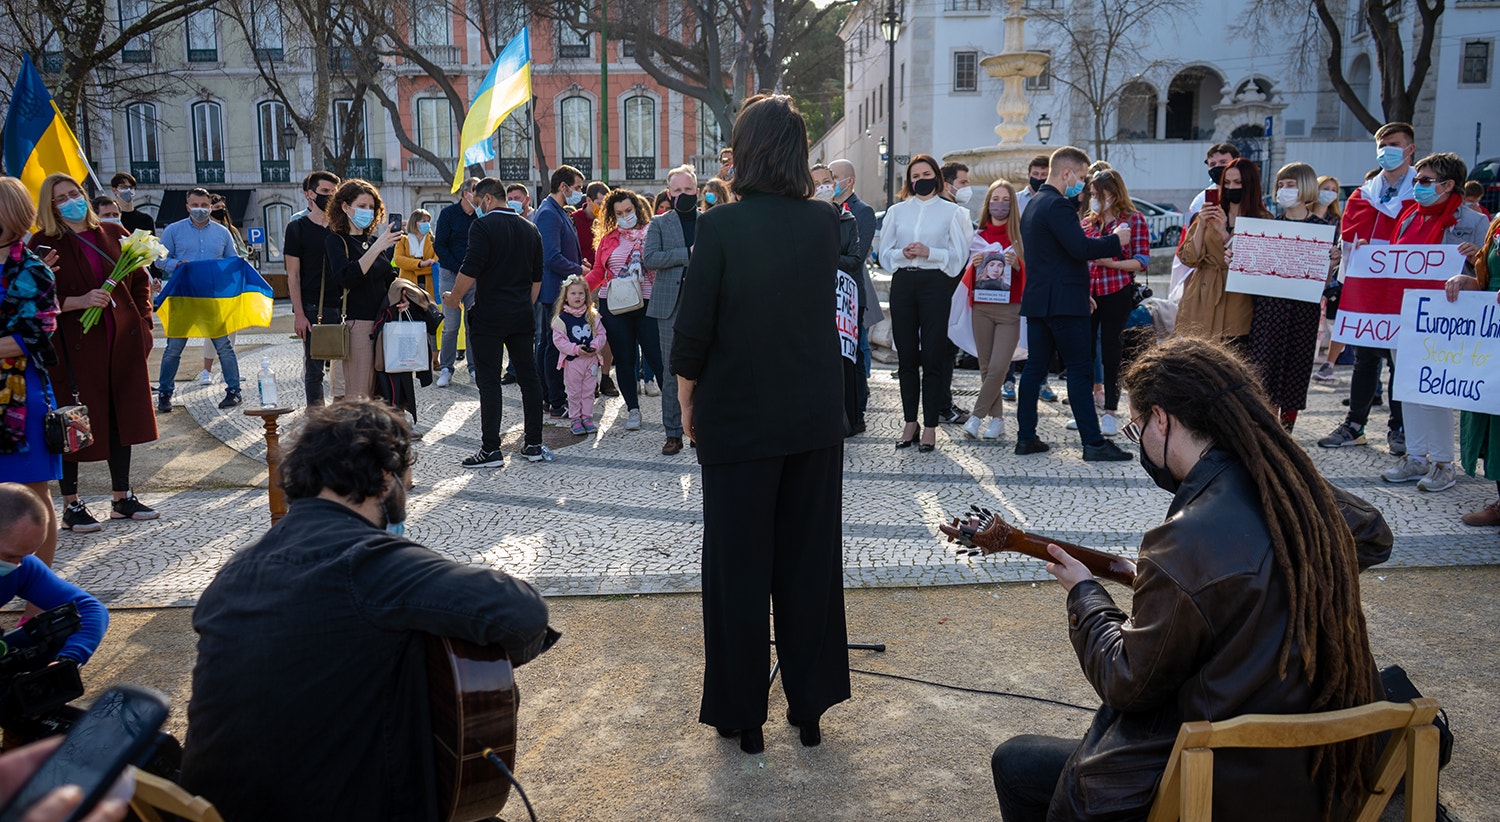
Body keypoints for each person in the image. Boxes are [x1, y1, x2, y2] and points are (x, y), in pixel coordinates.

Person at [991, 337, 1380, 822]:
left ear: (1161, 418)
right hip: (1311, 772)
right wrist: (1273, 463)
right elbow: (1373, 532)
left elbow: (1126, 682)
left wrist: (1085, 593)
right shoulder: (1301, 507)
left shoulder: (1182, 542)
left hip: (1215, 782)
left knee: (1015, 761)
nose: (1142, 447)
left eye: (1136, 431)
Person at [180, 399, 557, 820]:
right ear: (383, 479)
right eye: (406, 483)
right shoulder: (365, 563)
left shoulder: (233, 572)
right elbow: (521, 614)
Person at [672, 94, 848, 755]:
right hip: (810, 416)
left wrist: (687, 401)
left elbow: (692, 333)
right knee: (809, 564)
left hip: (739, 419)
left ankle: (743, 715)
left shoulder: (719, 226)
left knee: (737, 570)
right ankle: (810, 707)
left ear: (742, 152)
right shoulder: (823, 222)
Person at [30, 173, 158, 532]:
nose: (71, 201)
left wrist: (145, 327)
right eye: (61, 198)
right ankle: (71, 503)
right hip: (74, 346)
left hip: (121, 340)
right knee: (74, 421)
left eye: (75, 193)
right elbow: (31, 297)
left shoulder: (114, 233)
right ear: (50, 206)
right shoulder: (43, 244)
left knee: (121, 417)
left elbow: (139, 282)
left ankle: (122, 496)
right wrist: (76, 302)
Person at [1377, 153, 1488, 493]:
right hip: (1407, 315)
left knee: (1433, 389)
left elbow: (1486, 271)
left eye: (1425, 181)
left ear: (1448, 183)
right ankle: (1416, 457)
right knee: (1408, 387)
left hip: (1445, 319)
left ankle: (1443, 463)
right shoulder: (1409, 216)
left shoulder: (1473, 221)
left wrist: (1474, 261)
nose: (1418, 186)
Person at [1014, 147, 1132, 461]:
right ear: (1067, 173)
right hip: (1064, 304)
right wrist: (1116, 240)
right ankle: (1093, 444)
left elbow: (1057, 255)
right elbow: (1079, 248)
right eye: (1080, 178)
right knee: (1080, 371)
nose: (1081, 185)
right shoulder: (1057, 205)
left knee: (1034, 370)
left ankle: (1026, 437)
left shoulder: (1035, 204)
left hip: (1041, 300)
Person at [1319, 123, 1421, 454]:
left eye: (1393, 144)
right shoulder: (1365, 195)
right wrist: (1344, 251)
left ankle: (1400, 427)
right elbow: (1349, 239)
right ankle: (1355, 425)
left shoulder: (1420, 192)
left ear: (1410, 149)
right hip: (1367, 290)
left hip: (1404, 291)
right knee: (1364, 359)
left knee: (1400, 361)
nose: (1385, 151)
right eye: (1381, 145)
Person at [444, 177, 548, 466]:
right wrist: (522, 305)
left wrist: (454, 298)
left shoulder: (483, 225)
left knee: (489, 381)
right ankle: (534, 444)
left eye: (477, 202)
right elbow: (536, 279)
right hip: (521, 314)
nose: (476, 207)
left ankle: (491, 449)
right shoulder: (531, 228)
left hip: (489, 314)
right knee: (529, 378)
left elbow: (470, 268)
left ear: (487, 199)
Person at [877, 154, 973, 452]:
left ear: (937, 177)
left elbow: (958, 258)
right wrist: (901, 254)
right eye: (915, 176)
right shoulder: (896, 211)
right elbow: (884, 254)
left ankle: (930, 425)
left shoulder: (953, 213)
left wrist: (929, 251)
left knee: (932, 356)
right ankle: (909, 422)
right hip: (904, 283)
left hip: (935, 285)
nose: (921, 180)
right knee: (906, 357)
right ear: (909, 181)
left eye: (926, 173)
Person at [1246, 162, 1335, 432]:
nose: (1284, 190)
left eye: (1291, 184)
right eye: (1281, 185)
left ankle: (1287, 430)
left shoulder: (1321, 229)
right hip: (1269, 311)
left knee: (1295, 370)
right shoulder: (1268, 227)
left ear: (1306, 187)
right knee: (1264, 370)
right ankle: (1268, 429)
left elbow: (1323, 281)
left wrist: (1331, 263)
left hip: (1302, 311)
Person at [0, 178, 61, 570]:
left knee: (34, 495)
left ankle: (39, 597)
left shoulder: (32, 269)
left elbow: (40, 334)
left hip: (22, 399)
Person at [0, 483, 109, 666]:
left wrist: (69, 660)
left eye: (25, 555)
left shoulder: (22, 567)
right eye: (10, 556)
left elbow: (90, 609)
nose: (16, 564)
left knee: (58, 627)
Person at [1076, 169, 1149, 438]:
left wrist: (1112, 263)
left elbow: (1142, 260)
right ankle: (1084, 410)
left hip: (1116, 291)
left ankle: (1110, 412)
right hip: (1089, 293)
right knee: (1084, 353)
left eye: (1099, 194)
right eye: (1092, 194)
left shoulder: (1134, 220)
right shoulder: (1088, 223)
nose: (1095, 199)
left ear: (1114, 193)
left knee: (1112, 351)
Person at [589, 188, 667, 443]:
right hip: (615, 306)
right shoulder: (608, 239)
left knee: (656, 357)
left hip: (647, 304)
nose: (625, 216)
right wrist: (574, 288)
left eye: (628, 211)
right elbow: (598, 272)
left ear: (637, 209)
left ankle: (674, 410)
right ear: (613, 215)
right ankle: (633, 410)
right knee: (624, 359)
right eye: (619, 213)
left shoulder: (652, 233)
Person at [156, 187, 242, 411]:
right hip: (183, 296)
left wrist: (228, 274)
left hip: (212, 299)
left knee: (223, 346)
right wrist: (176, 264)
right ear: (187, 206)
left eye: (205, 206)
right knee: (174, 348)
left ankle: (234, 391)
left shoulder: (222, 233)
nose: (200, 209)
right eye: (195, 205)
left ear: (211, 206)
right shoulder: (173, 231)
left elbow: (232, 261)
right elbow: (158, 260)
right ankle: (165, 393)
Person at [324, 179, 401, 401]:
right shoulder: (336, 241)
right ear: (345, 207)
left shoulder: (374, 240)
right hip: (358, 323)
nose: (367, 212)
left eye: (371, 207)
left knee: (381, 388)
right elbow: (347, 277)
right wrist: (378, 248)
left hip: (382, 322)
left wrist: (400, 296)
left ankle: (377, 431)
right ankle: (356, 433)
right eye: (362, 206)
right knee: (359, 390)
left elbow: (389, 277)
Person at [960, 179, 1024, 441]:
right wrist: (973, 264)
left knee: (999, 367)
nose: (1000, 204)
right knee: (986, 367)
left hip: (1010, 310)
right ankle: (997, 420)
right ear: (988, 204)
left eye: (1005, 199)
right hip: (982, 307)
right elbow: (968, 276)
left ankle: (976, 416)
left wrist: (1017, 264)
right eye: (995, 199)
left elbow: (1031, 273)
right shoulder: (978, 237)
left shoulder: (1021, 237)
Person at [1176, 157, 1264, 343]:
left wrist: (1224, 232)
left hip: (1238, 299)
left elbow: (1256, 264)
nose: (1232, 187)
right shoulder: (1212, 212)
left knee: (1231, 358)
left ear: (1250, 184)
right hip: (1202, 294)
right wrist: (1201, 224)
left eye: (1238, 182)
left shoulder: (1263, 219)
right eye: (1227, 182)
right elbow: (1189, 258)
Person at [644, 166, 699, 454]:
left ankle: (698, 429)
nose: (682, 195)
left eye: (687, 190)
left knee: (705, 368)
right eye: (677, 191)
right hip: (670, 306)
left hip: (703, 303)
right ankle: (673, 432)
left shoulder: (710, 221)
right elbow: (650, 258)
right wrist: (686, 255)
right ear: (669, 193)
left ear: (697, 191)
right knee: (670, 370)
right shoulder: (659, 223)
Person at [1450, 211, 1500, 525]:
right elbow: (1488, 273)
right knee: (1494, 415)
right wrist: (1469, 282)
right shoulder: (1497, 222)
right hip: (1493, 334)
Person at [825, 159, 882, 428]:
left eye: (835, 177)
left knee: (855, 351)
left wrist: (824, 256)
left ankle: (857, 410)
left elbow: (856, 257)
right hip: (826, 292)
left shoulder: (863, 211)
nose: (831, 182)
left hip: (849, 293)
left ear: (849, 180)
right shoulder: (820, 210)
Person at [284, 170, 343, 405]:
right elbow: (293, 275)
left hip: (345, 306)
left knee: (344, 367)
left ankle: (343, 412)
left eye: (334, 193)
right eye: (325, 192)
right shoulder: (296, 228)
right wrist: (299, 314)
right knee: (314, 369)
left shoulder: (342, 227)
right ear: (310, 194)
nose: (330, 197)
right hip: (312, 307)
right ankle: (315, 417)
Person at [534, 166, 587, 418]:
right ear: (563, 186)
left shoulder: (557, 212)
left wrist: (579, 263)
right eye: (577, 188)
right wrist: (579, 270)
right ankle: (554, 400)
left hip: (560, 288)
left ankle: (549, 397)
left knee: (548, 343)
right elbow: (550, 256)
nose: (579, 193)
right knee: (552, 346)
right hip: (554, 291)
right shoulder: (548, 213)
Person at [1006, 154, 1056, 403]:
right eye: (1035, 175)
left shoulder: (1055, 201)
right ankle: (1008, 380)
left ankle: (1041, 381)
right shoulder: (1016, 201)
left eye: (1043, 175)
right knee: (1011, 325)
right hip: (1016, 270)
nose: (1038, 179)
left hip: (1041, 274)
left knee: (1041, 328)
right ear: (1028, 174)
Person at [372, 278, 442, 431]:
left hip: (386, 313)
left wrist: (404, 297)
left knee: (395, 371)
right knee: (388, 374)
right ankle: (388, 421)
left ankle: (395, 420)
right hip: (368, 316)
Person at [433, 178, 479, 388]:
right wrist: (458, 267)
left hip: (475, 275)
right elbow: (439, 245)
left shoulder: (480, 216)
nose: (477, 198)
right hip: (450, 273)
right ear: (465, 193)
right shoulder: (448, 214)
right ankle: (446, 368)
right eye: (474, 193)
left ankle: (473, 368)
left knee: (473, 323)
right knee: (451, 324)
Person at [551, 274, 606, 435]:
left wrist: (595, 346)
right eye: (573, 293)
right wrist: (575, 349)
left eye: (581, 293)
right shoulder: (562, 319)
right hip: (573, 361)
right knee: (574, 392)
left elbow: (601, 334)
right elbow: (559, 341)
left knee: (588, 390)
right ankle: (575, 418)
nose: (577, 297)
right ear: (566, 297)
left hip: (590, 361)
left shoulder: (592, 316)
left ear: (586, 295)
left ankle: (587, 417)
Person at [1312, 174, 1347, 382]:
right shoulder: (1304, 216)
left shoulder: (1338, 221)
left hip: (1331, 279)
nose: (1330, 193)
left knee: (1335, 322)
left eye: (1334, 189)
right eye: (1326, 188)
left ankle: (1330, 362)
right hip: (1308, 276)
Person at [392, 208, 437, 294]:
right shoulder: (403, 240)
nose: (427, 224)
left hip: (429, 286)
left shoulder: (434, 240)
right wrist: (420, 264)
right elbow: (398, 260)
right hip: (407, 286)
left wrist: (411, 268)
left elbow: (436, 263)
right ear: (414, 222)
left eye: (428, 221)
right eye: (423, 221)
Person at [108, 172, 155, 236]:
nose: (128, 190)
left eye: (131, 187)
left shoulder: (146, 220)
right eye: (123, 187)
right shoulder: (113, 220)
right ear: (114, 190)